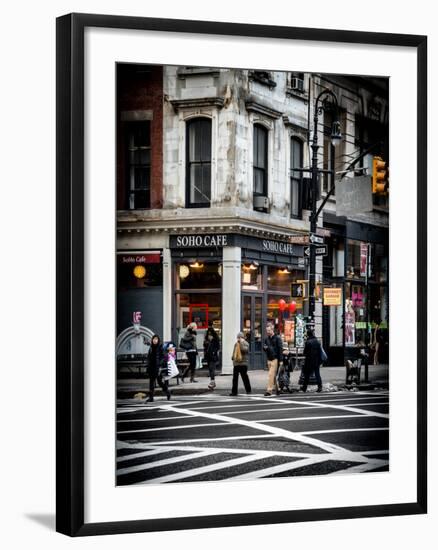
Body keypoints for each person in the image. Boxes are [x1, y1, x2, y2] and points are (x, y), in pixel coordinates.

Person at [146, 334, 170, 402]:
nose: (155, 340)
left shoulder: (160, 347)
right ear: (152, 340)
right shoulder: (151, 347)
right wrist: (147, 364)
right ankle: (151, 397)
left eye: (156, 339)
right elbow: (148, 357)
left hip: (157, 367)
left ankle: (167, 392)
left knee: (159, 382)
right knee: (151, 382)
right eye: (154, 339)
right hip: (151, 367)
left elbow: (163, 357)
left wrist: (160, 364)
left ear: (158, 340)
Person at [263, 324, 283, 396]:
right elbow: (265, 348)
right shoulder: (266, 339)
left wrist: (281, 360)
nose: (267, 332)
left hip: (275, 359)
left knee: (271, 374)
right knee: (273, 376)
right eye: (267, 330)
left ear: (272, 330)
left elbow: (280, 349)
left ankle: (269, 390)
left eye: (269, 330)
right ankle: (278, 389)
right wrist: (264, 348)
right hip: (269, 359)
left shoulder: (277, 338)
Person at [301, 328, 323, 393]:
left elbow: (305, 352)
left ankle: (304, 388)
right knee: (317, 374)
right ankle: (320, 387)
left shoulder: (308, 342)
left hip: (309, 361)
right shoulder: (317, 341)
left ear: (308, 335)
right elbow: (320, 352)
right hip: (316, 361)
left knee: (307, 375)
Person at [230, 332, 251, 396]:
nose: (238, 339)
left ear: (243, 338)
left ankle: (248, 390)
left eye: (240, 337)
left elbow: (244, 350)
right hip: (236, 363)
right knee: (235, 378)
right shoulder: (236, 344)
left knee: (245, 377)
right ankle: (234, 392)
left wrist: (241, 343)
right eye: (238, 338)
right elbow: (234, 351)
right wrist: (233, 357)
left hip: (243, 363)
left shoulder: (246, 343)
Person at [204, 324, 220, 390]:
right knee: (210, 370)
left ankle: (212, 382)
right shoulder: (206, 341)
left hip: (213, 356)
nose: (210, 336)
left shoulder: (215, 341)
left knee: (212, 369)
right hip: (208, 357)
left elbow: (218, 347)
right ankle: (213, 382)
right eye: (209, 335)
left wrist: (214, 352)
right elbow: (205, 348)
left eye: (211, 335)